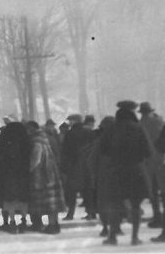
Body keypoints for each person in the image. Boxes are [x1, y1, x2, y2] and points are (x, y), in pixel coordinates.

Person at [99, 101, 152, 246]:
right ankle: (134, 237)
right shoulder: (138, 128)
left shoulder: (111, 129)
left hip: (116, 170)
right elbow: (148, 151)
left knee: (115, 204)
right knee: (135, 205)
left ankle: (112, 237)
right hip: (136, 171)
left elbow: (102, 150)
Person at [26, 121, 65, 234]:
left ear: (32, 129)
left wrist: (30, 168)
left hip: (42, 174)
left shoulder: (37, 141)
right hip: (51, 172)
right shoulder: (45, 138)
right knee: (52, 201)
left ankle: (52, 226)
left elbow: (36, 159)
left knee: (49, 201)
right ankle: (55, 224)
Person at [0, 121, 30, 233]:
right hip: (23, 173)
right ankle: (24, 221)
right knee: (23, 198)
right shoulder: (25, 141)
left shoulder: (4, 142)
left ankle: (12, 222)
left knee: (9, 198)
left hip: (7, 173)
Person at [61, 113, 95, 220]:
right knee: (87, 190)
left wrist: (64, 167)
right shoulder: (89, 132)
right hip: (87, 165)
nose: (69, 123)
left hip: (73, 166)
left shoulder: (70, 133)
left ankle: (70, 213)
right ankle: (90, 213)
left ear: (74, 121)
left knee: (71, 192)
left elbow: (65, 151)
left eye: (70, 120)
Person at [138, 101, 165, 228]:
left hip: (148, 163)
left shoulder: (141, 124)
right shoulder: (160, 121)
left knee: (152, 191)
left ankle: (157, 217)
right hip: (161, 160)